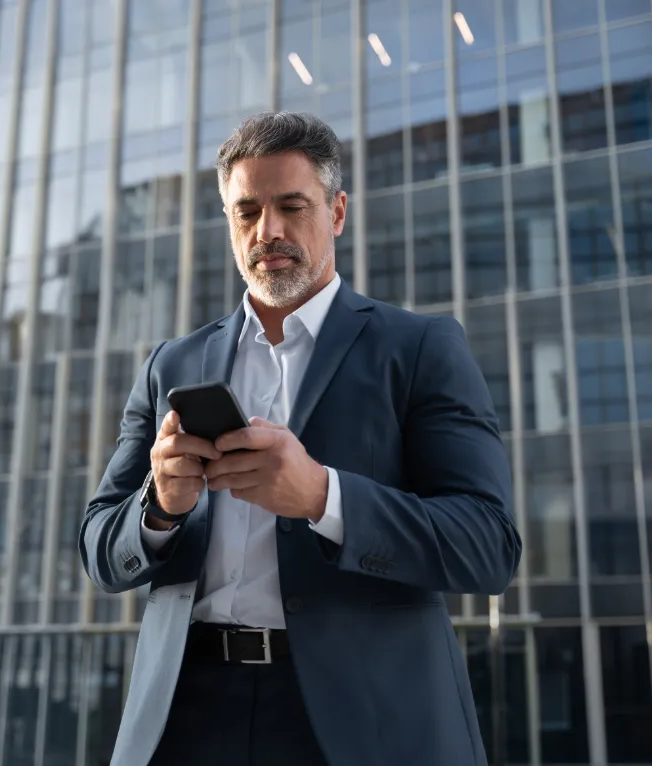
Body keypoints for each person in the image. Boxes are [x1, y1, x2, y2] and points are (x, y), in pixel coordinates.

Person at [79, 111, 522, 766]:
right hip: (183, 717)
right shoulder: (170, 365)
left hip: (359, 723)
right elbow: (98, 546)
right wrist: (159, 507)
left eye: (292, 206)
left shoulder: (421, 348)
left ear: (337, 211)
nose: (270, 231)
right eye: (247, 211)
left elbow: (488, 547)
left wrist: (323, 497)